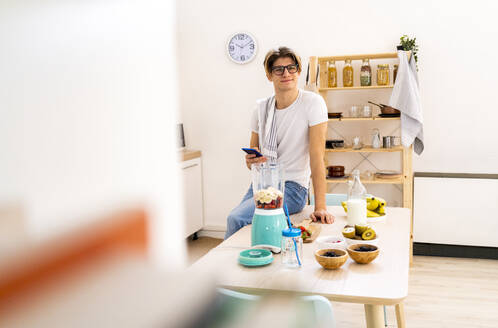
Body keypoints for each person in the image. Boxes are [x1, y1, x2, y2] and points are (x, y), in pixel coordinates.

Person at [225, 47, 334, 239]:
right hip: (262, 183)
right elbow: (251, 163)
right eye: (279, 69)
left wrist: (321, 207)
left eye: (291, 68)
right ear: (269, 75)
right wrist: (252, 160)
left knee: (237, 219)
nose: (286, 74)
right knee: (238, 223)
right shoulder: (261, 109)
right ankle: (246, 260)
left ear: (298, 72)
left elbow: (317, 158)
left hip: (293, 188)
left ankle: (228, 265)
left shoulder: (312, 103)